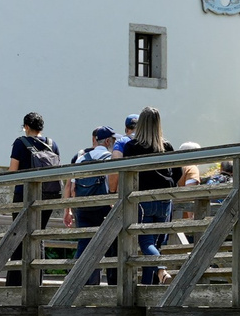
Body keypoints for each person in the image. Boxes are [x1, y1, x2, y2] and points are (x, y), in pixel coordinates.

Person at [121, 107, 181, 284]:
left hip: (142, 200)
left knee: (146, 244)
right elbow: (178, 171)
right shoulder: (166, 146)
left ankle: (162, 271)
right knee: (155, 244)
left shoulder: (131, 147)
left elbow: (126, 174)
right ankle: (148, 287)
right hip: (164, 199)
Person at [5, 112, 60, 286]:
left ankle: (14, 285)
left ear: (26, 127)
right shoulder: (52, 144)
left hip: (25, 195)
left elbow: (13, 172)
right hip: (49, 195)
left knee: (19, 236)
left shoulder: (20, 143)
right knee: (38, 236)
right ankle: (36, 282)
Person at [69, 125, 118, 283]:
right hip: (103, 207)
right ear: (108, 141)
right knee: (109, 245)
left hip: (83, 207)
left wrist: (73, 206)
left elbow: (73, 185)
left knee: (85, 244)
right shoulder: (110, 158)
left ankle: (77, 281)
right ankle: (112, 284)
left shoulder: (82, 158)